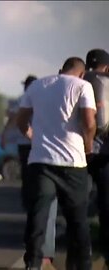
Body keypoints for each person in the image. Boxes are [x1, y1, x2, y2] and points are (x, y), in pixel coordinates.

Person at [17, 57, 96, 270]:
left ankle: (33, 263)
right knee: (77, 218)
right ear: (82, 73)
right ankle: (82, 264)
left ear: (61, 70)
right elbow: (89, 122)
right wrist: (88, 146)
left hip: (41, 161)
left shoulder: (36, 85)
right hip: (73, 163)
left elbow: (21, 119)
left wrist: (32, 135)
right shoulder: (83, 85)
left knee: (38, 215)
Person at [1, 75, 58, 269]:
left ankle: (31, 213)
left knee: (30, 183)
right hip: (37, 147)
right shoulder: (43, 96)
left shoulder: (24, 98)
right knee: (38, 188)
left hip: (26, 145)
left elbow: (12, 117)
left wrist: (5, 135)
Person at [83, 48, 109, 267]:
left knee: (79, 202)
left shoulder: (81, 80)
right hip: (103, 152)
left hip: (79, 152)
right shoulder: (106, 82)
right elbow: (101, 122)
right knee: (105, 204)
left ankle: (81, 253)